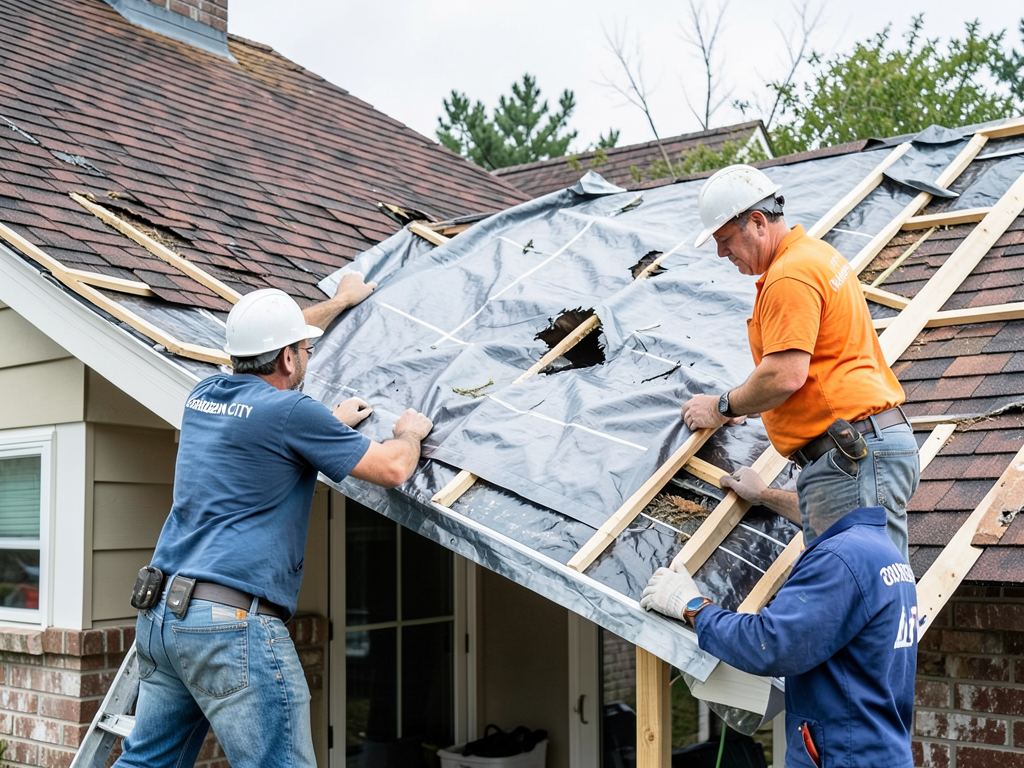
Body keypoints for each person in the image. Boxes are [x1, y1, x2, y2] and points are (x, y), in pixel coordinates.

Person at [116, 275, 433, 768]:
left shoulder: (204, 397)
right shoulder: (290, 412)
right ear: (289, 358)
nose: (305, 354)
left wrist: (342, 303)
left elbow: (266, 370)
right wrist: (408, 434)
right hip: (228, 626)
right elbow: (392, 468)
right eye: (302, 349)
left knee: (146, 763)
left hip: (162, 617)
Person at [679, 164, 919, 558]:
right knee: (872, 584)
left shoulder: (788, 275)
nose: (721, 252)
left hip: (850, 453)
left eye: (724, 239)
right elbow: (820, 369)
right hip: (865, 446)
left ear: (757, 222)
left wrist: (722, 406)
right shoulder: (816, 256)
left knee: (862, 595)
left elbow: (785, 375)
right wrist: (748, 407)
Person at [641, 505, 918, 768]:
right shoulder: (883, 551)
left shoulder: (839, 558)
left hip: (845, 756)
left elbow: (769, 644)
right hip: (877, 750)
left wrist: (693, 608)